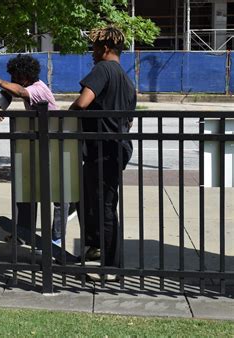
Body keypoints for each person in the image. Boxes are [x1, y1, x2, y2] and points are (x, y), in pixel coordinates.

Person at [0, 54, 76, 251]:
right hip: (41, 146)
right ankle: (24, 232)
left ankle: (57, 238)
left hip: (57, 147)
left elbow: (19, 92)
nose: (13, 79)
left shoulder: (38, 89)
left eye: (15, 76)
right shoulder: (31, 86)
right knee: (28, 191)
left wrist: (0, 81)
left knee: (59, 197)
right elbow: (11, 94)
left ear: (24, 76)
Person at [69, 26, 135, 281]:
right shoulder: (126, 80)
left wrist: (65, 116)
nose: (92, 54)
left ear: (105, 48)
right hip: (115, 148)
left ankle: (110, 266)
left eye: (95, 48)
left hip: (103, 149)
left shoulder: (103, 69)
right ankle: (97, 250)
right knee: (94, 201)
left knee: (104, 206)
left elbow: (83, 103)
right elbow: (129, 121)